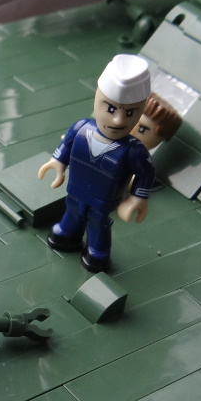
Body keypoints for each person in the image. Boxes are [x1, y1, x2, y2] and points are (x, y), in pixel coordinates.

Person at [39, 54, 155, 273]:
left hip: (103, 199)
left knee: (97, 222)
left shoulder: (133, 150)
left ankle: (97, 251)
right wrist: (57, 162)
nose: (118, 120)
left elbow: (146, 174)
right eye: (111, 109)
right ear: (97, 100)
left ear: (140, 111)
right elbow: (66, 147)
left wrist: (137, 198)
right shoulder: (81, 128)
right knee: (73, 210)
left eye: (130, 113)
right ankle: (67, 233)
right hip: (76, 189)